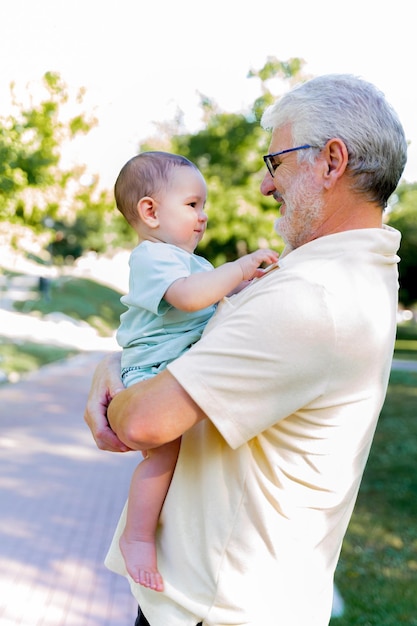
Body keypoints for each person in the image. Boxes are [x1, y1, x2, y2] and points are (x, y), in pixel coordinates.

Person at [84, 74, 407, 626]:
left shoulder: (311, 299)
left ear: (331, 162)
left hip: (217, 610)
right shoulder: (346, 275)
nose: (264, 185)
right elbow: (196, 339)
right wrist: (113, 364)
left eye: (275, 162)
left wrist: (116, 391)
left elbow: (143, 423)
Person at [112, 151, 278, 592]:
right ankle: (137, 536)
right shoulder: (153, 257)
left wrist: (246, 284)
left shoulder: (193, 263)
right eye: (192, 205)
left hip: (173, 360)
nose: (203, 217)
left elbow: (211, 294)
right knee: (163, 453)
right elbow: (189, 298)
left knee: (180, 454)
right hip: (150, 368)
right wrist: (239, 268)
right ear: (149, 211)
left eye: (203, 206)